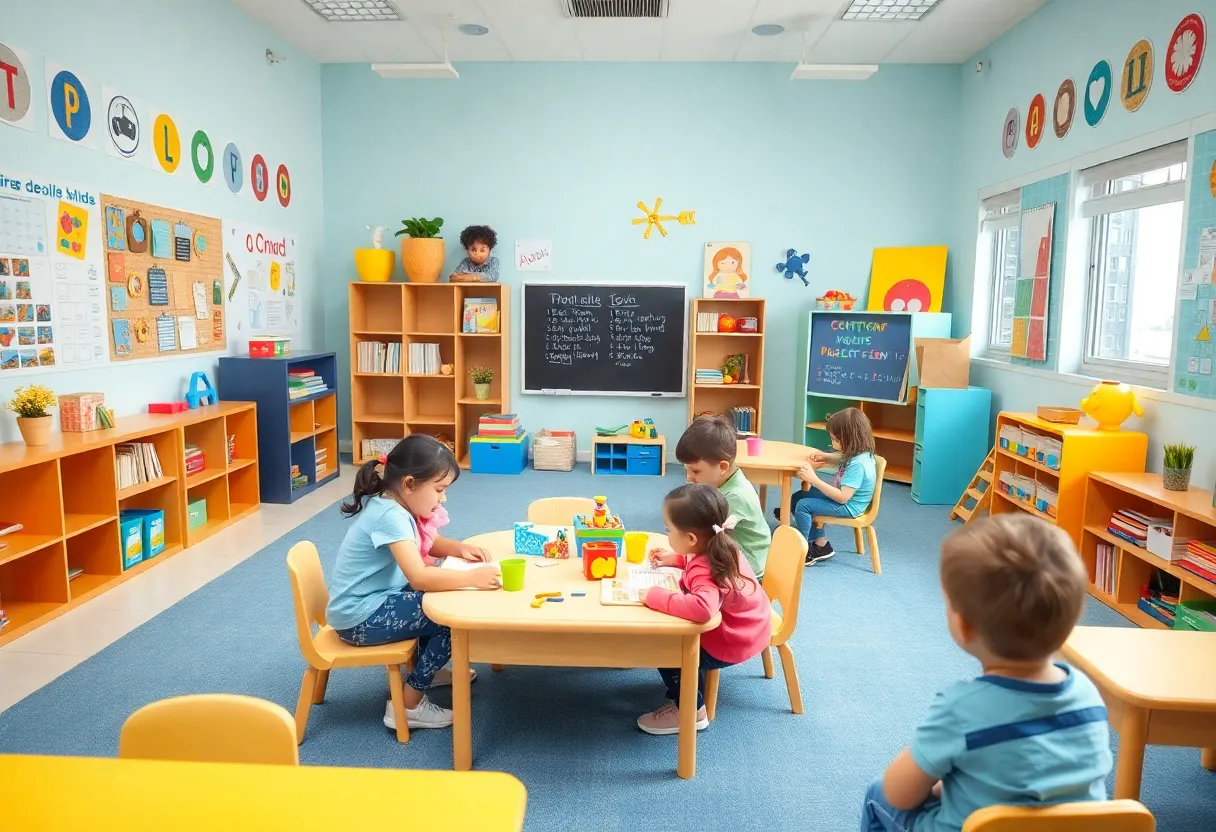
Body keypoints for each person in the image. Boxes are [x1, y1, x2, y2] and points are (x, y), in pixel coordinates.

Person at [860, 514, 1112, 832]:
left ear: (963, 626)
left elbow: (899, 794)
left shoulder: (961, 709)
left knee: (877, 795)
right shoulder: (1088, 695)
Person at [326, 435, 500, 731]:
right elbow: (419, 576)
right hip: (359, 618)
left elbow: (424, 544)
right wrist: (471, 578)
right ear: (409, 484)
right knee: (447, 618)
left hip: (372, 601)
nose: (443, 498)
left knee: (437, 601)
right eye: (440, 489)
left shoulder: (394, 504)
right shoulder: (391, 516)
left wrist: (458, 549)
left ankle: (427, 670)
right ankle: (408, 706)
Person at [637, 483, 771, 735]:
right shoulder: (721, 543)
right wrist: (676, 558)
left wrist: (655, 596)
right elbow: (700, 564)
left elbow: (702, 608)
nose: (666, 533)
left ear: (690, 539)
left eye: (668, 530)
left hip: (732, 641)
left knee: (667, 647)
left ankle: (692, 711)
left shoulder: (703, 567)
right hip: (752, 627)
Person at [675, 414, 771, 578]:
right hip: (733, 557)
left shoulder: (735, 496)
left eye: (695, 471)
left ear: (722, 467)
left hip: (746, 572)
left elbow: (707, 540)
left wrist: (679, 558)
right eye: (687, 470)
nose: (689, 477)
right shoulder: (721, 481)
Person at [785, 407, 877, 566]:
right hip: (846, 500)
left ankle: (803, 550)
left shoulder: (858, 465)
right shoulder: (859, 453)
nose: (832, 442)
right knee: (799, 496)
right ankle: (821, 545)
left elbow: (842, 498)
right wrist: (827, 457)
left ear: (849, 439)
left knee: (803, 505)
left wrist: (814, 479)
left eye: (835, 439)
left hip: (849, 506)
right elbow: (843, 458)